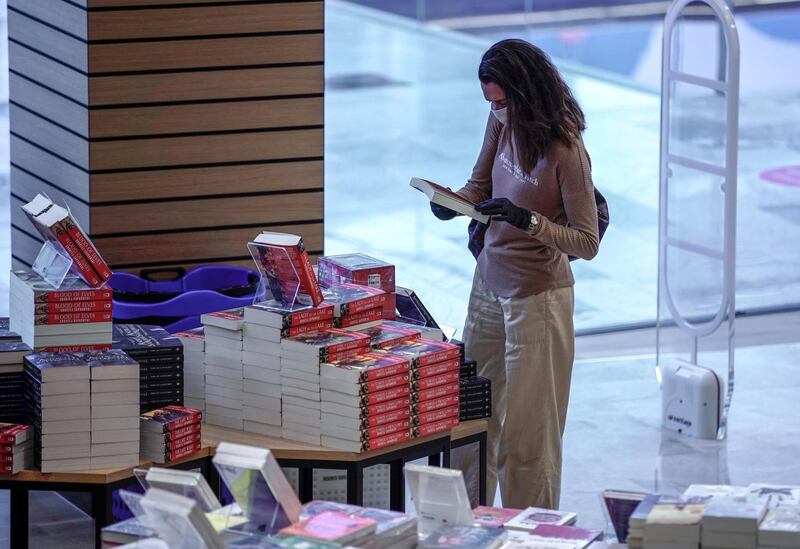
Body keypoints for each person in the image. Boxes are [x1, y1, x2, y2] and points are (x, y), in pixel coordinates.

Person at [434, 39, 600, 510]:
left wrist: (527, 220)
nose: (497, 113)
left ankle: (532, 534)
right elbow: (479, 183)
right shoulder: (499, 121)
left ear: (527, 94)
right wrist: (454, 202)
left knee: (529, 439)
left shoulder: (566, 150)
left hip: (537, 299)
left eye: (503, 103)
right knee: (473, 416)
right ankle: (467, 527)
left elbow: (587, 242)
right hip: (488, 283)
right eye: (491, 104)